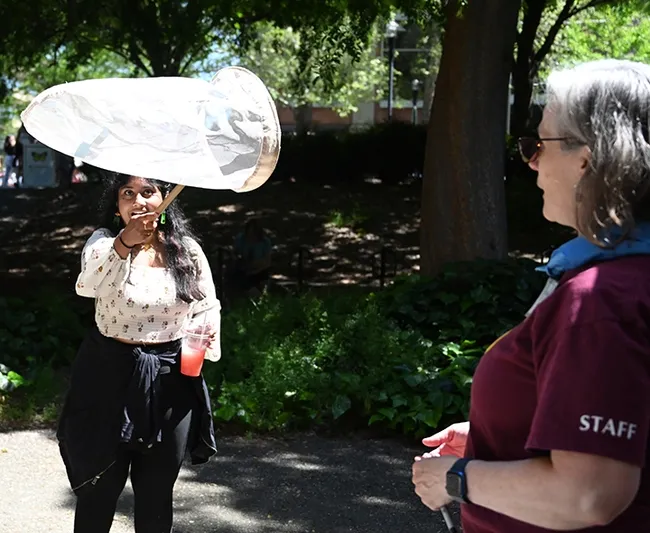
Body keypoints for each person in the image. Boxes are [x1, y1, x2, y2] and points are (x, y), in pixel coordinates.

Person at [412, 59, 650, 532]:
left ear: (587, 158)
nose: (531, 159)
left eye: (538, 143)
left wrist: (458, 478)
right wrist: (497, 438)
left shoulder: (601, 299)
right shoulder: (630, 278)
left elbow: (586, 495)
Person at [57, 173, 220, 533]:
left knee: (157, 496)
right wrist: (125, 243)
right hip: (107, 378)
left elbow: (207, 305)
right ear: (117, 207)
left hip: (170, 379)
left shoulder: (187, 250)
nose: (138, 200)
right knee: (98, 490)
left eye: (148, 191)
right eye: (127, 193)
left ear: (164, 201)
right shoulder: (102, 244)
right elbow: (88, 286)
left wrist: (204, 335)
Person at [231, 218, 272, 295]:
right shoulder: (240, 239)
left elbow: (267, 262)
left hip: (260, 271)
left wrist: (255, 269)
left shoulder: (265, 242)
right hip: (243, 270)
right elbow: (234, 254)